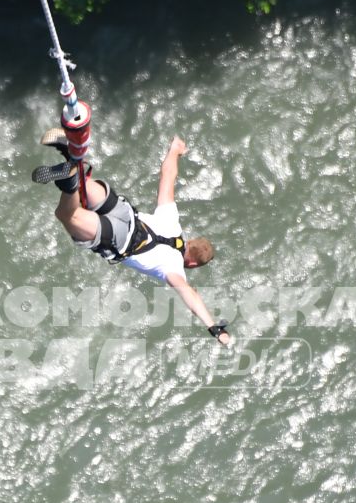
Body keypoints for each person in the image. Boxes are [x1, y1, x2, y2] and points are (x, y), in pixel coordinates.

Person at [34, 132, 234, 345]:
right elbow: (190, 296)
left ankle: (73, 157)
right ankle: (70, 181)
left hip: (124, 211)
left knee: (86, 181)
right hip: (119, 239)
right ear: (192, 263)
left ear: (191, 241)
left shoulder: (172, 220)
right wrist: (213, 327)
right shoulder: (174, 267)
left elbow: (168, 177)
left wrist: (175, 150)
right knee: (67, 214)